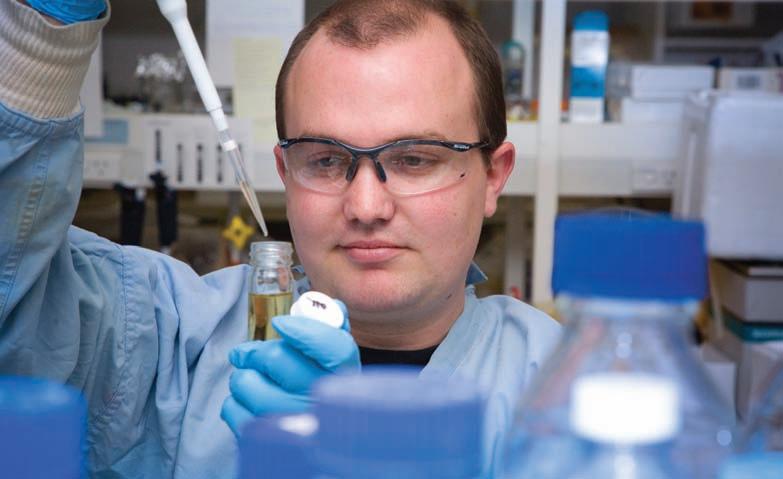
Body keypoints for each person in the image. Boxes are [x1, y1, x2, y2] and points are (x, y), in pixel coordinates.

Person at [0, 0, 560, 477]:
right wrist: (39, 46)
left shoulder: (564, 387)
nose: (367, 207)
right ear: (285, 173)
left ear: (493, 176)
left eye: (414, 159)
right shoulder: (171, 341)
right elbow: (15, 303)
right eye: (325, 159)